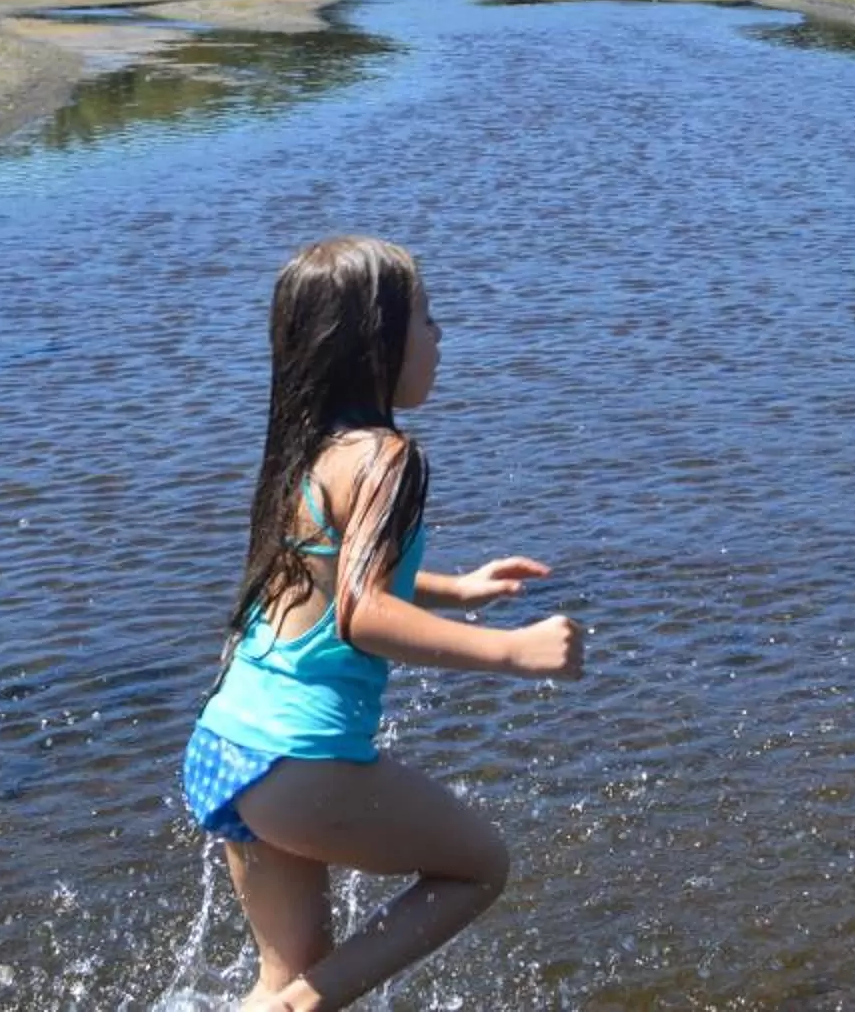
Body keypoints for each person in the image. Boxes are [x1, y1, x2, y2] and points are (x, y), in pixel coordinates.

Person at [181, 236, 586, 1011]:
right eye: (426, 318)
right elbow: (363, 613)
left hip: (229, 744)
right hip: (299, 758)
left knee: (284, 974)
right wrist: (514, 651)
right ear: (377, 343)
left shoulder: (308, 449)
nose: (439, 335)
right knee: (479, 867)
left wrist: (456, 589)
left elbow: (329, 579)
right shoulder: (386, 457)